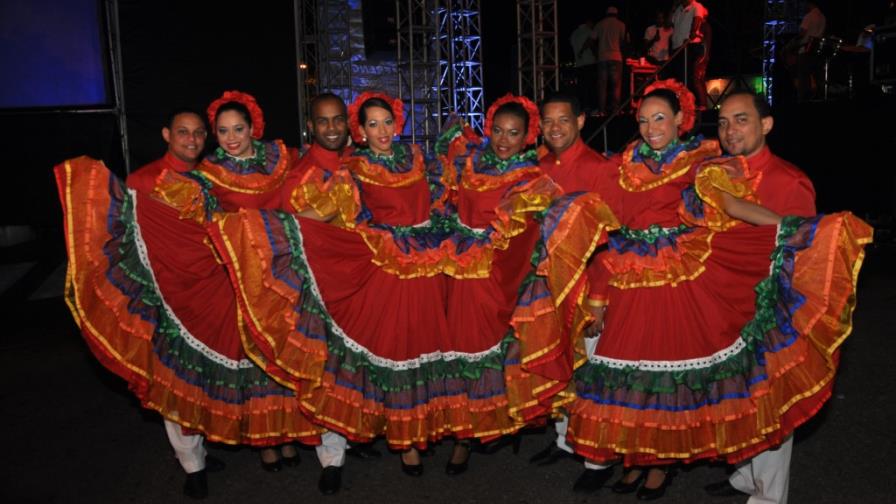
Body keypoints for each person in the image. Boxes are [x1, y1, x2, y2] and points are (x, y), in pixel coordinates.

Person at [528, 80, 870, 500]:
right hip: (634, 283)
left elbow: (729, 207)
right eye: (643, 119)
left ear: (679, 120)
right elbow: (608, 228)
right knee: (641, 379)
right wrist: (596, 289)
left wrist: (795, 229)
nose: (651, 127)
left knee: (733, 382)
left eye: (660, 118)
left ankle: (737, 483)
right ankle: (658, 462)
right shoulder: (623, 165)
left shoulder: (703, 163)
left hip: (704, 283)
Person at [55, 94, 325, 500]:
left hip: (211, 287)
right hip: (165, 294)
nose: (192, 139)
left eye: (200, 132)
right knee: (174, 376)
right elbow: (129, 231)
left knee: (217, 371)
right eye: (184, 132)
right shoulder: (145, 181)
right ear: (167, 135)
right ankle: (191, 465)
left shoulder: (207, 177)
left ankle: (216, 450)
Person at [701, 90, 815, 504]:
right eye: (724, 122)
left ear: (766, 125)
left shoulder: (788, 180)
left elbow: (804, 253)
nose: (730, 130)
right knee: (738, 398)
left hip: (766, 310)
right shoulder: (717, 173)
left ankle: (768, 497)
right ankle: (747, 477)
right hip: (724, 307)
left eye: (741, 120)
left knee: (770, 406)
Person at [281, 92, 383, 495]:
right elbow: (289, 227)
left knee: (359, 364)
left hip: (365, 279)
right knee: (326, 370)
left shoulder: (361, 162)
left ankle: (355, 434)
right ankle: (331, 456)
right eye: (323, 121)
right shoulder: (301, 173)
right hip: (323, 286)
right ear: (311, 126)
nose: (332, 128)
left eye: (338, 119)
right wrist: (324, 211)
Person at [525, 92, 621, 494]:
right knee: (562, 367)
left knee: (594, 375)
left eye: (563, 120)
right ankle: (566, 438)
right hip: (548, 290)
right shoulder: (537, 168)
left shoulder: (601, 169)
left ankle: (598, 460)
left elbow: (610, 243)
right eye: (548, 121)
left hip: (587, 290)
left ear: (580, 121)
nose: (555, 128)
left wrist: (598, 299)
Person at [669, 0, 710, 108]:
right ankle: (684, 103)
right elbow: (669, 24)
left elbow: (697, 20)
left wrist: (692, 33)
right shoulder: (678, 9)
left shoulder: (696, 6)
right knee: (680, 77)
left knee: (692, 77)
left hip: (690, 46)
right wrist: (673, 9)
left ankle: (699, 105)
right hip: (677, 47)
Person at [592, 6, 628, 116]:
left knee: (602, 85)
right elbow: (623, 42)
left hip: (603, 57)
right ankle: (615, 110)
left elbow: (591, 40)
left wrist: (596, 52)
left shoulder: (600, 24)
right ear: (616, 14)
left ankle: (602, 110)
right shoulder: (621, 25)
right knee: (616, 85)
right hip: (616, 56)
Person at [797, 1, 826, 101]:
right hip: (817, 49)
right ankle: (819, 97)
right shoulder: (822, 17)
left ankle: (803, 100)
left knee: (803, 77)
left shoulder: (809, 16)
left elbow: (802, 33)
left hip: (806, 49)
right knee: (817, 75)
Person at [569, 17, 599, 114]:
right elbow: (592, 45)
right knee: (591, 87)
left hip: (579, 64)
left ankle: (583, 107)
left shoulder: (574, 34)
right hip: (590, 63)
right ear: (588, 22)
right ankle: (593, 108)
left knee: (582, 87)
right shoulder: (589, 31)